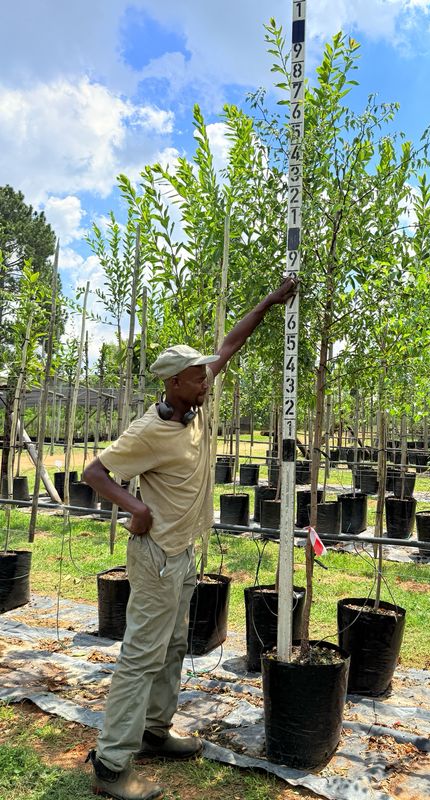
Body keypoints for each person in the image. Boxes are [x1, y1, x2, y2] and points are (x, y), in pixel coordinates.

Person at [83, 277, 297, 800]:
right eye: (198, 379)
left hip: (181, 554)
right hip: (156, 556)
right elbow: (94, 472)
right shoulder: (147, 433)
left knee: (174, 644)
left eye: (205, 376)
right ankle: (111, 766)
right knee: (141, 656)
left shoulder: (193, 405)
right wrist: (135, 507)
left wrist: (267, 301)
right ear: (175, 383)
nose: (208, 382)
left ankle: (156, 731)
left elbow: (230, 344)